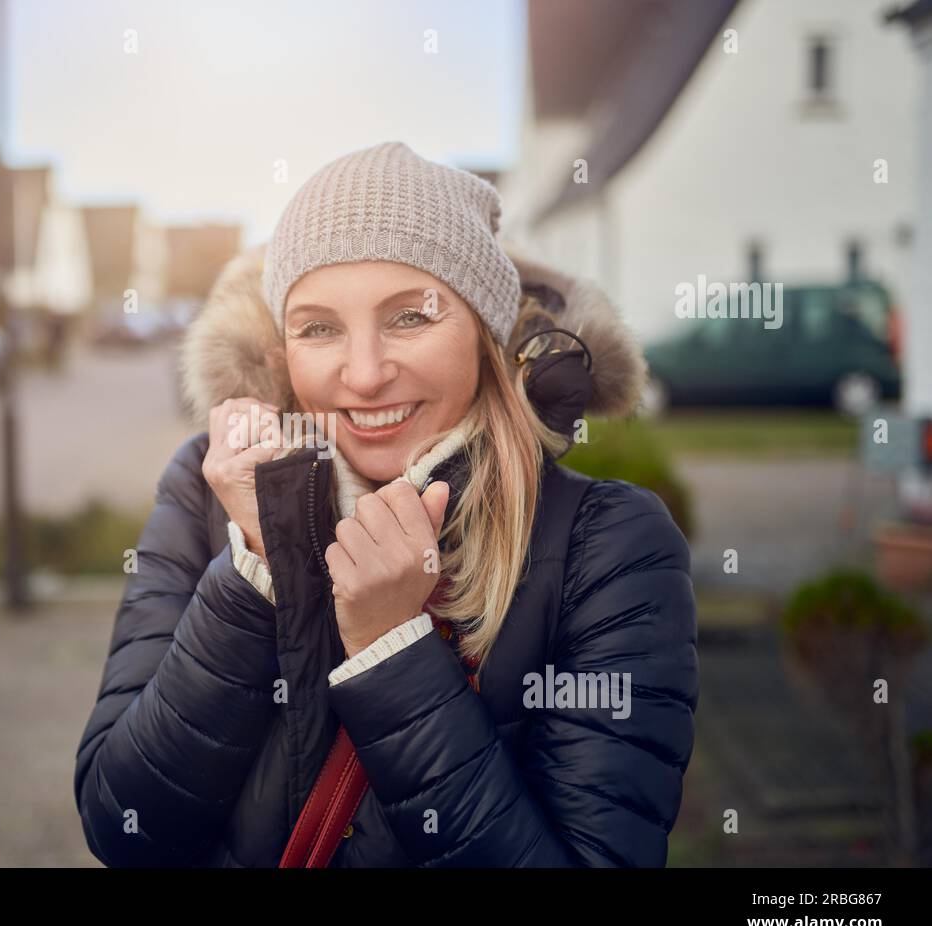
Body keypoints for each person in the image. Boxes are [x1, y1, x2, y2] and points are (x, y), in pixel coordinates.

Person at [74, 141, 698, 867]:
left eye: (410, 317)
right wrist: (252, 574)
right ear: (281, 348)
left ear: (485, 335)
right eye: (318, 327)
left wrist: (392, 650)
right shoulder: (205, 491)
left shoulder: (611, 544)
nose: (364, 375)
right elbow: (125, 827)